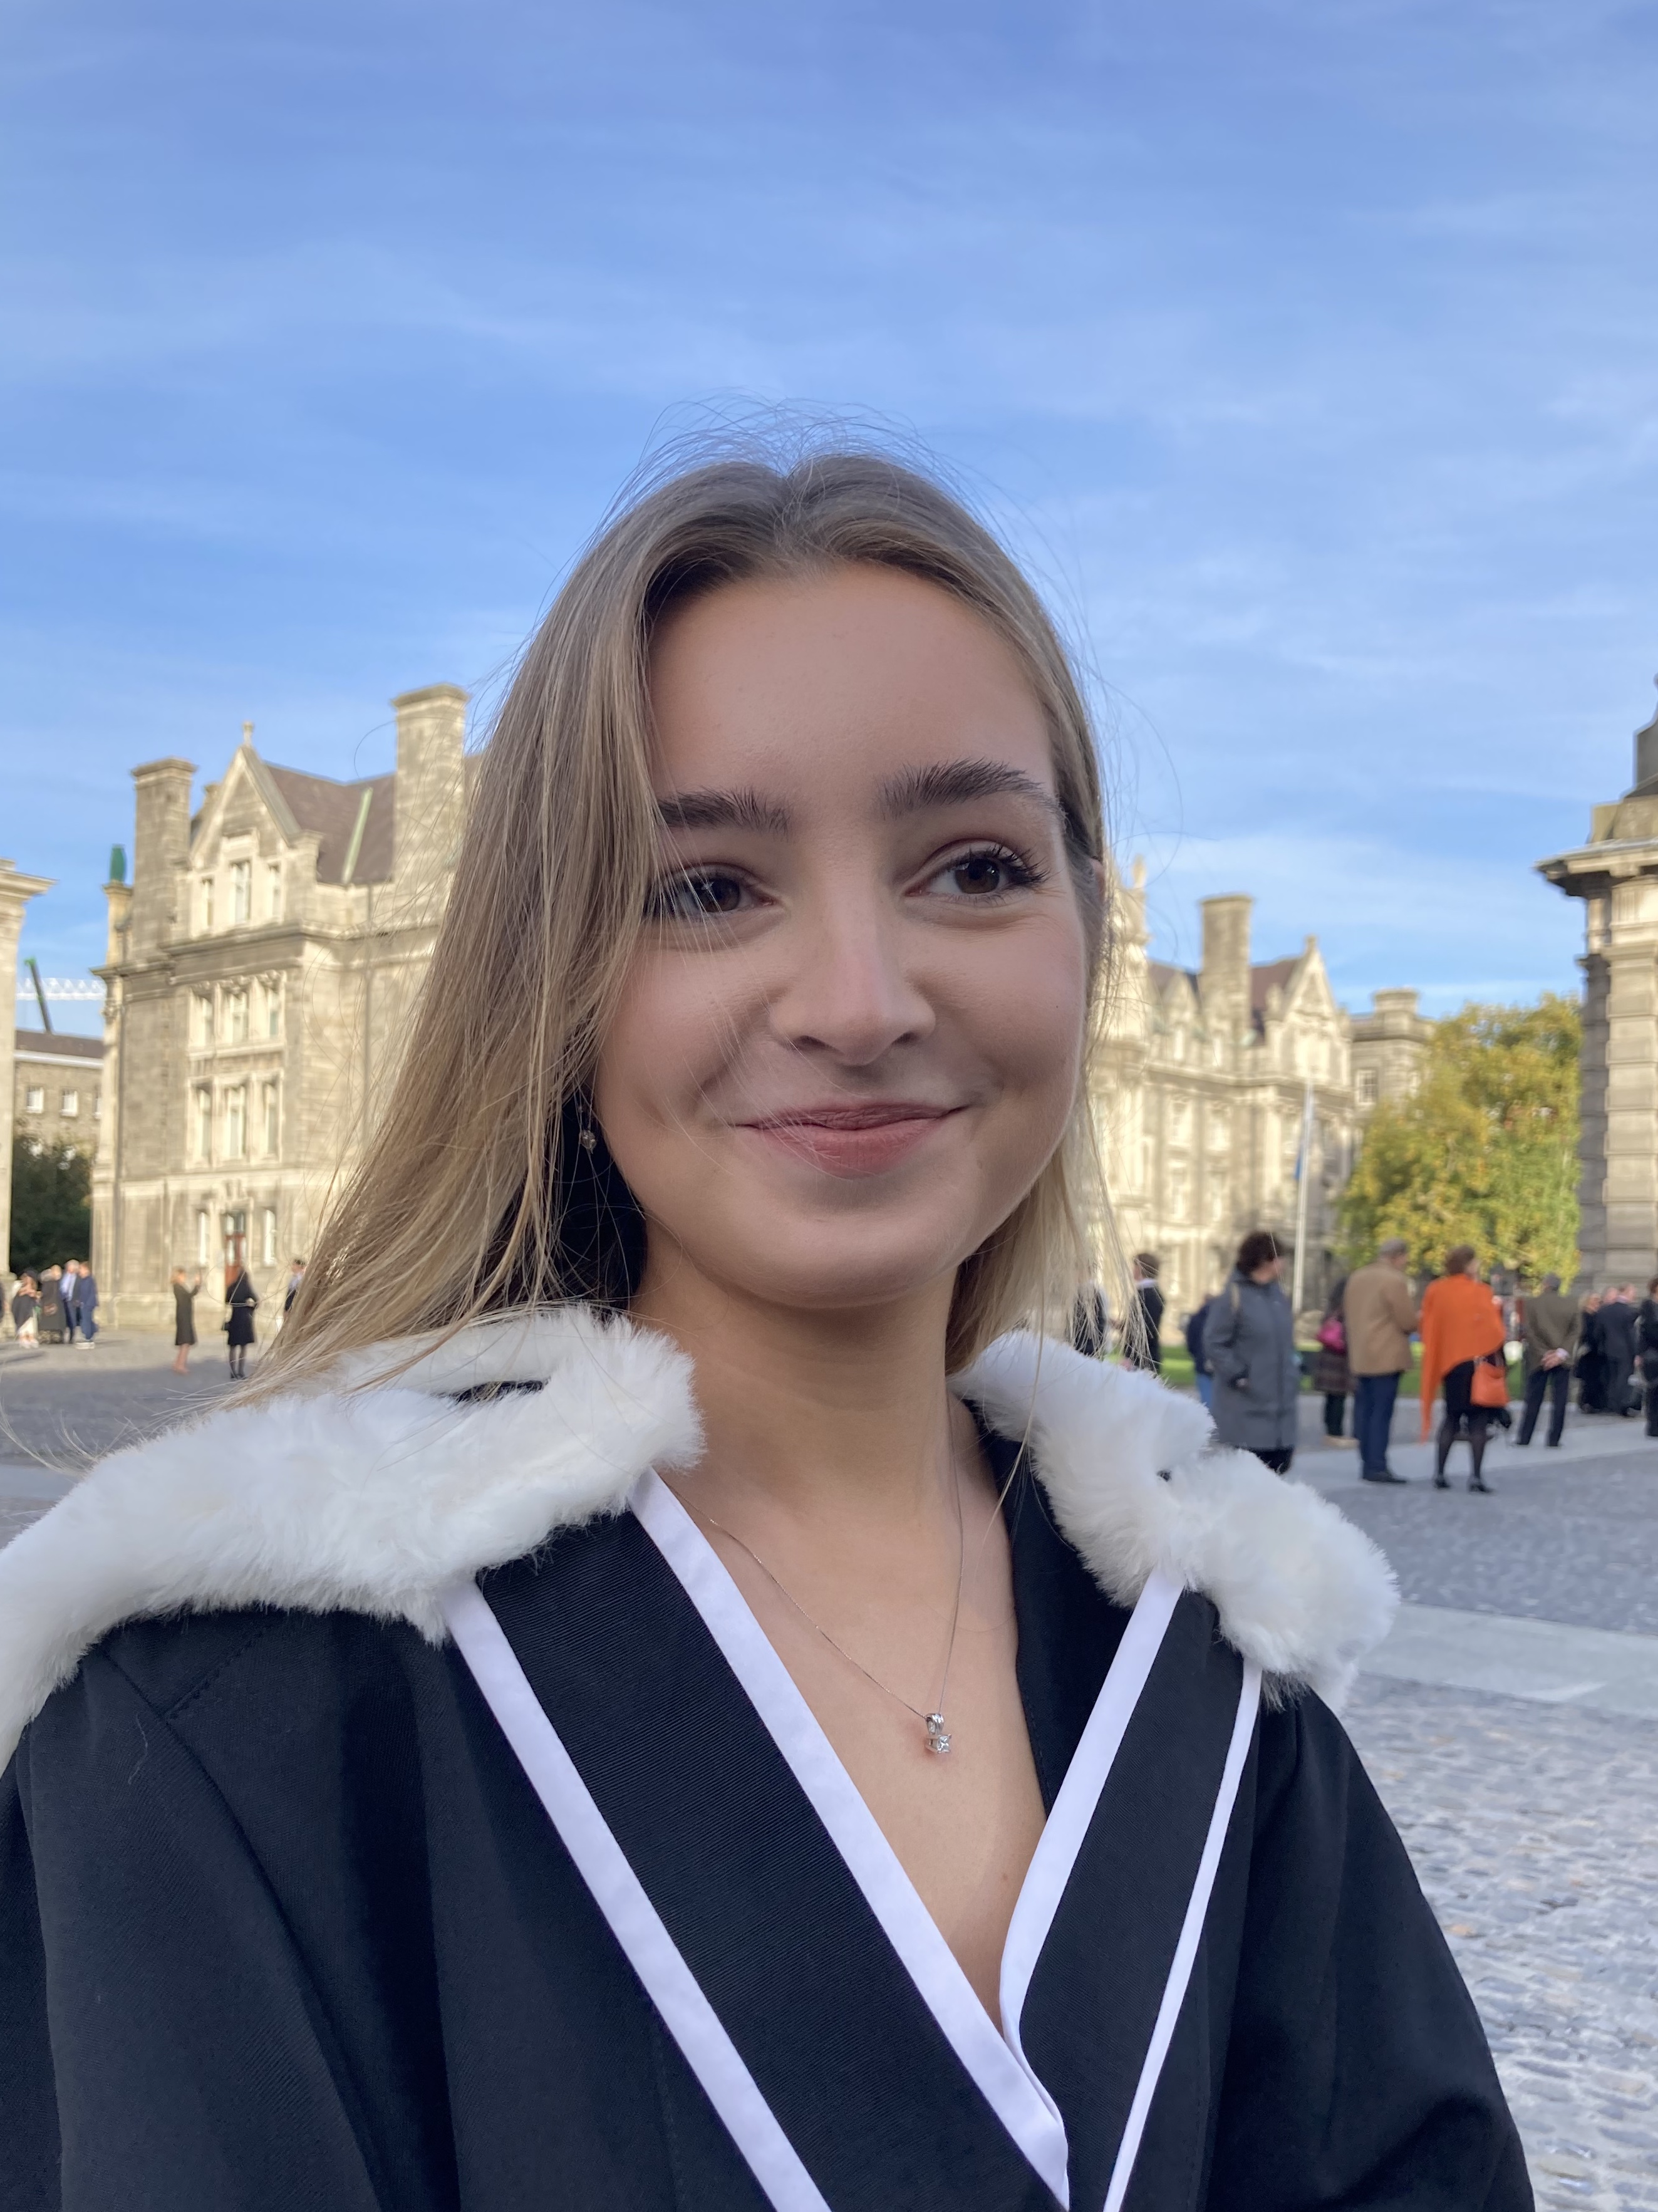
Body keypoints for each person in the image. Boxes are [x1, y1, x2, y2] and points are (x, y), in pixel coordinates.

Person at [0, 444, 1527, 2209]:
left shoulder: (1211, 1652)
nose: (858, 1003)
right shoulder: (233, 1702)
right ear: (551, 979)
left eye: (972, 866)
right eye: (706, 888)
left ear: (1085, 937)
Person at [1203, 1230, 1300, 1475]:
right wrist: (1238, 1373)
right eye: (1280, 1258)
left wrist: (1294, 1368)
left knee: (1279, 1470)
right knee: (1251, 1477)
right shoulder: (1233, 1296)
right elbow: (1214, 1342)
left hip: (1282, 1410)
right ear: (1265, 1260)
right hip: (1247, 1407)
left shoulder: (1278, 1296)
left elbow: (1284, 1342)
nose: (1285, 1264)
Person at [1419, 1246, 1508, 1492]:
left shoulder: (1437, 1290)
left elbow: (1428, 1324)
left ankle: (1439, 1473)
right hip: (1477, 1365)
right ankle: (1476, 1477)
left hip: (1451, 1365)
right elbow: (1495, 1331)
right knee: (1478, 1422)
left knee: (1451, 1418)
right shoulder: (1480, 1292)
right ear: (1468, 1264)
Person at [1341, 1238, 1419, 1485]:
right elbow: (1407, 1321)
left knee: (1364, 1410)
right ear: (1399, 1256)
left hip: (1361, 1352)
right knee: (1381, 1413)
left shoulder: (1357, 1277)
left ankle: (1366, 1461)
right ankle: (1377, 1464)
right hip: (1386, 1353)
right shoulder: (1394, 1280)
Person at [1516, 1273, 1579, 1448]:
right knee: (1560, 1400)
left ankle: (1525, 1437)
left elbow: (1529, 1331)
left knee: (1533, 1399)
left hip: (1539, 1358)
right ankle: (1554, 1439)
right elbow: (1576, 1330)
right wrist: (1561, 1353)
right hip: (1562, 1359)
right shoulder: (1571, 1304)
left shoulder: (1532, 1304)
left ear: (1545, 1285)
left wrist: (1544, 1353)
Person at [1312, 1275, 1350, 1442]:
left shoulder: (1331, 1308)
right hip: (1339, 1359)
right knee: (1339, 1397)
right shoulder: (1346, 1311)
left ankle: (1330, 1428)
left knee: (1331, 1397)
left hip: (1328, 1357)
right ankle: (1336, 1431)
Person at [1598, 1286, 1639, 1417]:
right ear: (1626, 1293)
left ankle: (1611, 1404)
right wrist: (1636, 1352)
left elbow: (1599, 1332)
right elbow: (1631, 1335)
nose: (1634, 1296)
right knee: (1623, 1378)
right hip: (1625, 1350)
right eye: (1633, 1293)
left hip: (1608, 1349)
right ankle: (1621, 1406)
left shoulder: (1605, 1310)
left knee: (1612, 1378)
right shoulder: (1629, 1312)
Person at [1121, 1251, 1164, 1371]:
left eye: (1134, 1266)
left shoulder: (1149, 1295)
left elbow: (1145, 1329)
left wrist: (1131, 1357)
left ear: (1140, 1269)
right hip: (1140, 1359)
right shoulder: (1146, 1293)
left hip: (1143, 1360)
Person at [224, 1262, 259, 1381]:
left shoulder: (232, 1286)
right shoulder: (246, 1287)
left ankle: (232, 1372)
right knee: (243, 1347)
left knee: (233, 1346)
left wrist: (235, 1304)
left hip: (234, 1317)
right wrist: (250, 1308)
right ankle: (240, 1371)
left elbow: (227, 1301)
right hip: (244, 1318)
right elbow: (257, 1301)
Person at [1183, 1290, 1214, 1409]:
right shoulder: (1223, 1318)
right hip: (1218, 1364)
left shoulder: (1196, 1319)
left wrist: (1196, 1355)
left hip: (1202, 1362)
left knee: (1206, 1400)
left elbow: (1191, 1341)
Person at [1576, 1291, 1607, 1411]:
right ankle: (1586, 1402)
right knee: (1588, 1379)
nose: (1597, 1303)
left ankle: (1595, 1403)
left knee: (1597, 1378)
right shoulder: (1584, 1316)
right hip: (1588, 1351)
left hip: (1598, 1351)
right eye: (1594, 1300)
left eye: (1599, 1300)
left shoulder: (1598, 1315)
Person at [170, 1267, 204, 1375]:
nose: (184, 1278)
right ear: (178, 1276)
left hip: (185, 1316)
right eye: (183, 1276)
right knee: (185, 1342)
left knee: (185, 1343)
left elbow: (189, 1296)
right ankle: (180, 1365)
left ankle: (177, 1364)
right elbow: (189, 1296)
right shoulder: (177, 1287)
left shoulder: (180, 1286)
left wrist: (197, 1285)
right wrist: (197, 1284)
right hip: (183, 1317)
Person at [1638, 1277, 1658, 1440]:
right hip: (1653, 1354)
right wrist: (1639, 1354)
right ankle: (1653, 1425)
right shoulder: (1648, 1307)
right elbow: (1647, 1332)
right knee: (1654, 1390)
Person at [69, 1263, 98, 1349]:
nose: (79, 1271)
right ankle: (89, 1336)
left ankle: (88, 1339)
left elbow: (89, 1293)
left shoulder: (89, 1280)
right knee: (85, 1321)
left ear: (86, 1270)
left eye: (81, 1269)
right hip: (84, 1303)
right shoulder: (84, 1280)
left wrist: (85, 1303)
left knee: (86, 1321)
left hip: (87, 1304)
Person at [34, 1265, 65, 1346]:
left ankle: (46, 1337)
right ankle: (57, 1337)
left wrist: (39, 1296)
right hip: (58, 1306)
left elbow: (45, 1294)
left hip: (48, 1304)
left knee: (47, 1323)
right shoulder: (61, 1283)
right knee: (56, 1323)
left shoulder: (48, 1283)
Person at [9, 1275, 41, 1349]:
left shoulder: (33, 1287)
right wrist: (27, 1290)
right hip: (20, 1308)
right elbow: (18, 1293)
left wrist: (34, 1294)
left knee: (31, 1323)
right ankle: (23, 1338)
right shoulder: (18, 1285)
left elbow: (36, 1297)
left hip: (30, 1308)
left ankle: (31, 1337)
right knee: (23, 1323)